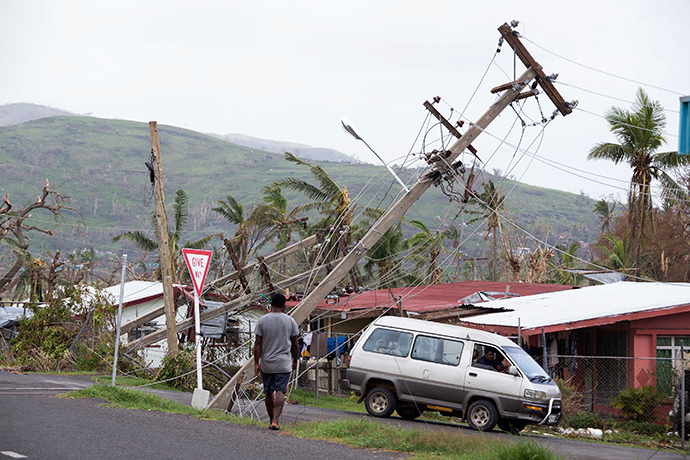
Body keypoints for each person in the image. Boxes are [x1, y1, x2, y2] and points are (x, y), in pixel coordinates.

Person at [254, 293, 300, 431]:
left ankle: (270, 420)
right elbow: (295, 344)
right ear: (283, 305)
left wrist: (256, 363)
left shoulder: (262, 320)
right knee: (280, 390)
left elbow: (257, 344)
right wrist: (295, 360)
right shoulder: (290, 321)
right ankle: (275, 420)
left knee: (268, 392)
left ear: (271, 305)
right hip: (284, 362)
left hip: (267, 362)